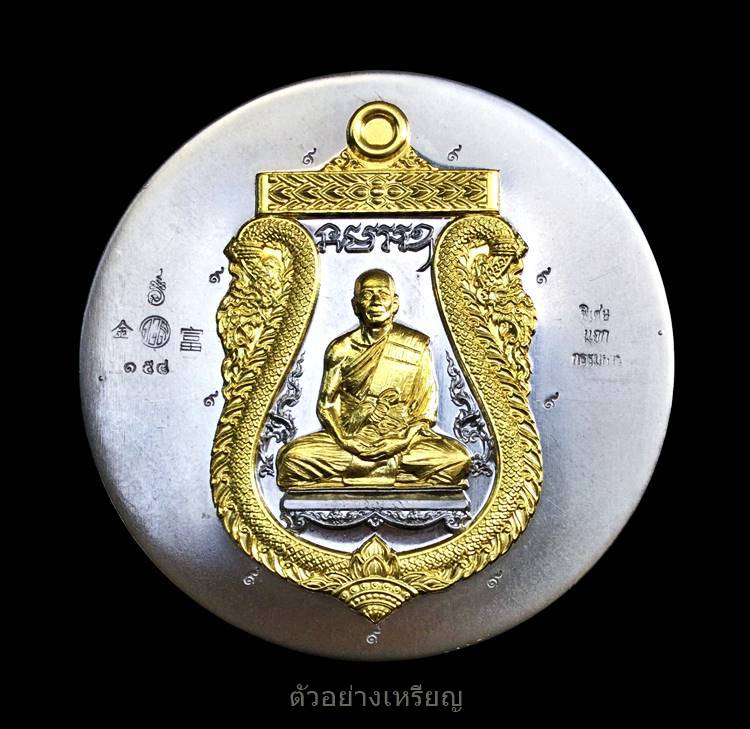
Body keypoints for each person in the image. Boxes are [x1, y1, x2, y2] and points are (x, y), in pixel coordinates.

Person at [277, 269, 472, 489]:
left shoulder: (416, 345)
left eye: (383, 294)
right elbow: (326, 405)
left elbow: (425, 412)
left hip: (401, 440)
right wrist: (346, 440)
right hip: (350, 440)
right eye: (367, 295)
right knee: (292, 459)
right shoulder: (341, 349)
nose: (376, 301)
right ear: (355, 305)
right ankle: (401, 477)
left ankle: (362, 474)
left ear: (395, 304)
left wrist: (401, 441)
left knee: (457, 459)